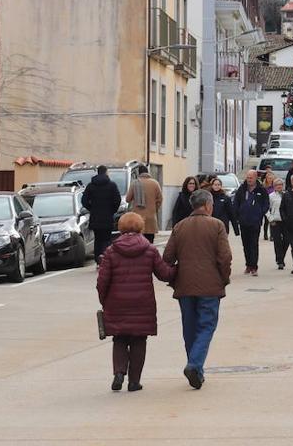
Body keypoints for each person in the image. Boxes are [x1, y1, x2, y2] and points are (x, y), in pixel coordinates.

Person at [96, 212, 174, 392]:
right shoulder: (149, 250)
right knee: (139, 339)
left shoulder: (111, 251)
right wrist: (178, 269)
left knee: (120, 338)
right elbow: (164, 274)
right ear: (141, 227)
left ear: (121, 228)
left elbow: (102, 281)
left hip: (117, 302)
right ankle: (134, 381)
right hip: (142, 302)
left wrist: (104, 301)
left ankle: (119, 372)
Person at [163, 189, 232, 390]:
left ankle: (196, 369)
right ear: (209, 205)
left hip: (185, 286)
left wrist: (176, 275)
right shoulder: (217, 225)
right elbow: (225, 257)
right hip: (210, 286)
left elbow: (167, 258)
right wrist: (224, 279)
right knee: (206, 326)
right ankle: (194, 365)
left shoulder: (179, 226)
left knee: (190, 328)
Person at [80, 165, 122, 264]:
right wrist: (112, 210)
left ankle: (98, 260)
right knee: (107, 239)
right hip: (107, 217)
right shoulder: (112, 185)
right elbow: (117, 200)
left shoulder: (91, 186)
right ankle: (107, 259)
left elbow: (84, 201)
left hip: (95, 217)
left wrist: (92, 208)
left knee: (98, 239)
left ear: (98, 172)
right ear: (106, 172)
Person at [232, 170, 269, 276]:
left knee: (253, 244)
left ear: (255, 178)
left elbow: (266, 204)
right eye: (247, 177)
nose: (249, 180)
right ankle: (248, 264)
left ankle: (254, 266)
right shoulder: (242, 189)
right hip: (243, 221)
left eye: (251, 178)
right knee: (246, 245)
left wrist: (260, 213)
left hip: (255, 222)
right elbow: (236, 203)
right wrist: (238, 214)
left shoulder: (261, 190)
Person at [125, 165, 163, 243]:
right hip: (151, 218)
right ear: (147, 172)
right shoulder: (155, 183)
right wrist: (155, 209)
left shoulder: (134, 183)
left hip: (137, 219)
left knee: (138, 242)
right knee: (149, 242)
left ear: (139, 173)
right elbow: (160, 199)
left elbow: (127, 199)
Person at [267, 178, 287, 270]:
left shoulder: (287, 195)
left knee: (287, 240)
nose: (279, 186)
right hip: (275, 221)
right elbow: (266, 209)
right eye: (277, 185)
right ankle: (280, 261)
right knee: (277, 241)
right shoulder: (271, 196)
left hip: (286, 221)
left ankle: (281, 257)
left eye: (281, 184)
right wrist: (271, 219)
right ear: (274, 187)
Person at [261, 171, 276, 240]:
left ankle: (272, 235)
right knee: (266, 221)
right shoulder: (263, 187)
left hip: (273, 205)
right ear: (266, 179)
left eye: (271, 178)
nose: (270, 179)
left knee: (272, 220)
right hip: (265, 205)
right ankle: (265, 234)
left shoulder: (275, 186)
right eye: (268, 178)